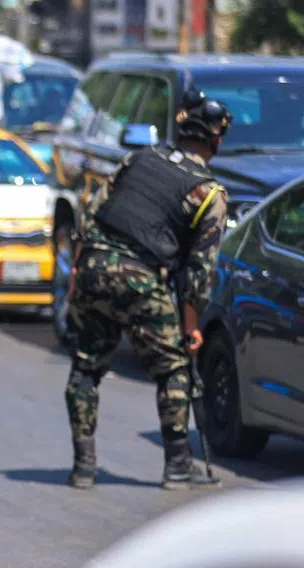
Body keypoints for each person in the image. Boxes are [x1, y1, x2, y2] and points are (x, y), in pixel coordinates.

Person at [65, 89, 231, 490]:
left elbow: (92, 213)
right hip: (140, 277)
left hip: (93, 267)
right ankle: (177, 466)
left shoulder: (139, 158)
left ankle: (83, 465)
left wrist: (76, 273)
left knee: (87, 366)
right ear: (216, 139)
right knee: (174, 369)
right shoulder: (210, 194)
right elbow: (198, 270)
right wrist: (191, 327)